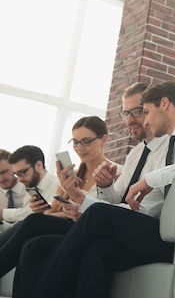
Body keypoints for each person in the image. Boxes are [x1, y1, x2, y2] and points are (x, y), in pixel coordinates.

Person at [14, 80, 175, 298]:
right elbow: (141, 207)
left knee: (92, 216)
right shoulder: (150, 154)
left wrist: (150, 179)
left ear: (164, 103)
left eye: (145, 111)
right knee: (96, 249)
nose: (144, 120)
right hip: (157, 230)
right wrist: (100, 190)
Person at [13, 82, 168, 292]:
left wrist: (81, 201)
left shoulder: (170, 150)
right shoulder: (135, 155)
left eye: (138, 111)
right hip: (109, 221)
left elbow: (119, 209)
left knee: (42, 224)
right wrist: (87, 193)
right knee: (34, 243)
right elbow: (112, 200)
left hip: (143, 228)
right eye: (126, 113)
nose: (130, 119)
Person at [0, 116, 121, 288]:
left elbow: (110, 212)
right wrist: (64, 195)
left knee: (33, 221)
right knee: (30, 235)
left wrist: (70, 204)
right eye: (76, 142)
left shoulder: (115, 173)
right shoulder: (71, 175)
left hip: (89, 229)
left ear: (104, 139)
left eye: (86, 141)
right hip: (68, 226)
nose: (80, 148)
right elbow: (50, 213)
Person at [0, 149, 27, 232]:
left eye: (3, 172)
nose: (1, 179)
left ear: (14, 167)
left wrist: (2, 213)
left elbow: (35, 216)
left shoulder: (30, 187)